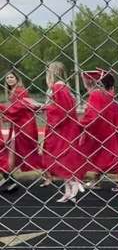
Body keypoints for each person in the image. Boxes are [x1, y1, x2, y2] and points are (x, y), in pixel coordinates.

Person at [79, 71, 118, 191]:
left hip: (102, 132)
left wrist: (80, 124)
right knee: (104, 156)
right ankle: (97, 179)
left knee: (110, 159)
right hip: (110, 131)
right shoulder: (108, 96)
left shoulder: (96, 95)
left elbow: (92, 114)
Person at [42, 62, 82, 202]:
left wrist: (44, 107)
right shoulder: (63, 87)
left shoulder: (58, 87)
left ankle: (73, 186)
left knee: (62, 157)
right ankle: (68, 190)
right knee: (63, 158)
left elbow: (62, 111)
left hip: (62, 129)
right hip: (65, 128)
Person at [0, 71, 40, 194]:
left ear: (17, 78)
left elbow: (17, 109)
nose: (9, 79)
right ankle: (9, 179)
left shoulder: (19, 91)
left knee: (22, 152)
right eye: (7, 78)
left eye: (12, 77)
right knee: (12, 153)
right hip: (19, 124)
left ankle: (9, 179)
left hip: (23, 126)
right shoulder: (15, 91)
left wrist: (1, 108)